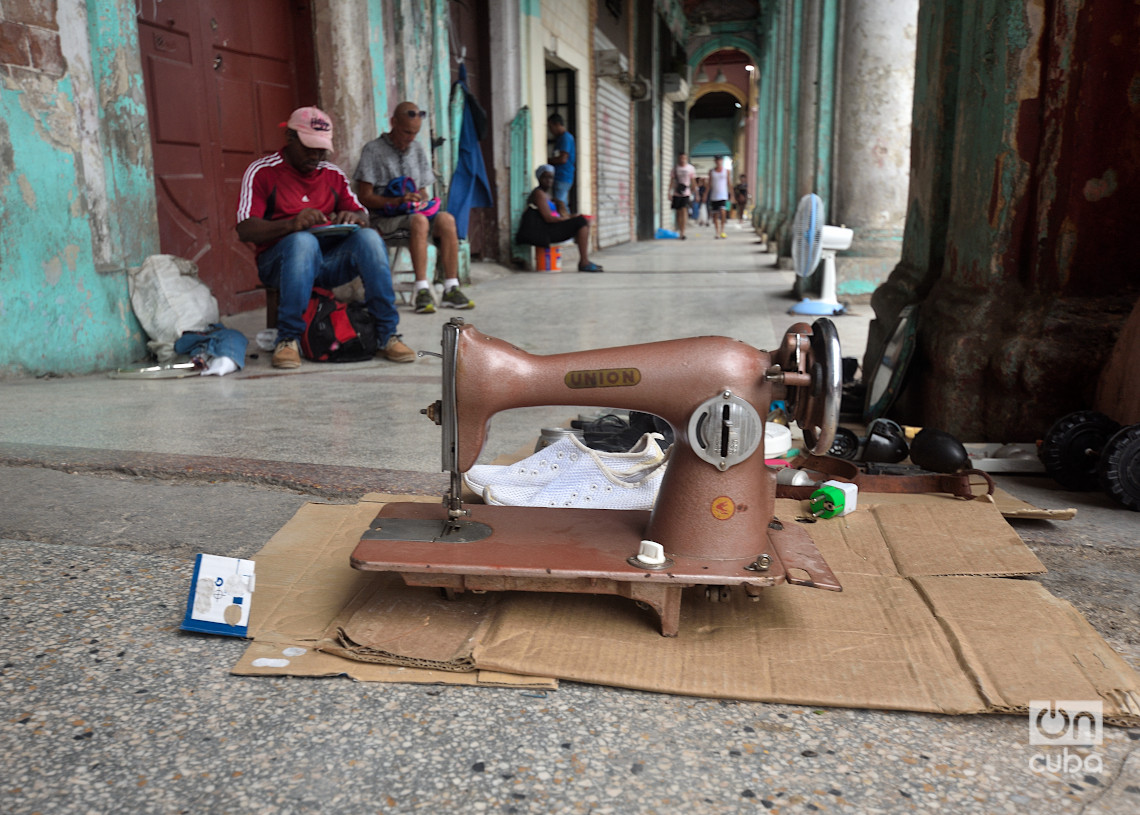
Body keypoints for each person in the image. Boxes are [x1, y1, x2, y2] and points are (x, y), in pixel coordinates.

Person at [236, 106, 414, 370]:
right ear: (290, 138)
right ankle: (288, 339)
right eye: (309, 147)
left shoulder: (332, 174)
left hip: (327, 263)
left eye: (321, 149)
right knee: (302, 241)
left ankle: (387, 333)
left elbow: (362, 214)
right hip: (278, 265)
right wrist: (290, 225)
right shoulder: (263, 171)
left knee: (369, 239)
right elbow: (245, 228)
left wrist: (354, 218)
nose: (315, 155)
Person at [354, 101, 474, 314]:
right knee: (419, 221)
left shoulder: (416, 149)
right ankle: (421, 290)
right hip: (385, 220)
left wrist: (419, 200)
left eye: (415, 133)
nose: (410, 138)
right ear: (393, 123)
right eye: (406, 132)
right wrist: (397, 201)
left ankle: (451, 287)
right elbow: (364, 197)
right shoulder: (373, 150)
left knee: (447, 220)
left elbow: (424, 191)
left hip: (412, 216)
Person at [515, 165, 603, 272]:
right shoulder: (539, 194)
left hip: (552, 228)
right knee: (581, 222)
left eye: (551, 177)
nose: (549, 180)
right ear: (539, 178)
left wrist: (570, 216)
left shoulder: (548, 196)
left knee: (581, 220)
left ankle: (584, 261)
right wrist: (567, 220)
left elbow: (557, 215)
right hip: (546, 231)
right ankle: (584, 262)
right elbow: (548, 218)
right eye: (545, 177)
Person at [546, 113, 576, 219]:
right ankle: (569, 232)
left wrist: (547, 160)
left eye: (551, 127)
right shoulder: (562, 138)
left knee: (558, 206)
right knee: (563, 205)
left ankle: (564, 229)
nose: (550, 130)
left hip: (562, 176)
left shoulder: (565, 138)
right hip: (563, 177)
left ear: (557, 124)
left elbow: (563, 159)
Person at [670, 153, 697, 240]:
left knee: (684, 210)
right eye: (681, 158)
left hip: (686, 193)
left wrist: (695, 192)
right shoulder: (675, 169)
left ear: (686, 159)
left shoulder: (690, 168)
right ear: (678, 159)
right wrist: (669, 192)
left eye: (684, 158)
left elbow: (693, 181)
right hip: (677, 193)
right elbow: (672, 181)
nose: (682, 159)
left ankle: (683, 232)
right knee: (678, 213)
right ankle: (680, 229)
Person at [708, 155, 731, 239]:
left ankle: (722, 230)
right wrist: (705, 195)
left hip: (723, 195)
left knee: (723, 211)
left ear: (722, 161)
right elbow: (709, 184)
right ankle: (717, 232)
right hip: (714, 196)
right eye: (717, 160)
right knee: (715, 215)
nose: (718, 162)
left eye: (720, 160)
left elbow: (729, 183)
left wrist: (732, 195)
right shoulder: (711, 172)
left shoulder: (726, 171)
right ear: (715, 161)